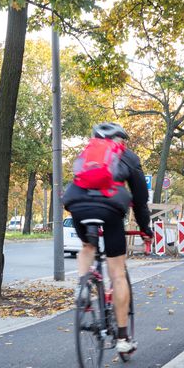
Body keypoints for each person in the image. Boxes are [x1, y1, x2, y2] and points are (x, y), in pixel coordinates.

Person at [63, 122, 153, 355]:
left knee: (87, 247)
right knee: (117, 272)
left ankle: (83, 285)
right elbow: (140, 201)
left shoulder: (86, 154)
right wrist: (146, 230)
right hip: (110, 208)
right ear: (120, 140)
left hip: (77, 204)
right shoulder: (128, 157)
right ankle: (123, 338)